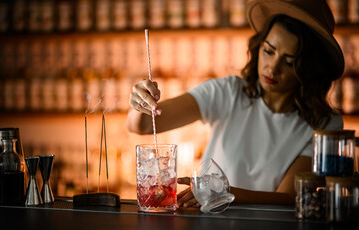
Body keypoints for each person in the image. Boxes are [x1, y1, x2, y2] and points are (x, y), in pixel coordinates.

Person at [127, 0, 345, 207]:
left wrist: (224, 191)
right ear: (259, 47)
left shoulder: (325, 123)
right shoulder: (228, 92)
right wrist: (140, 102)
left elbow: (290, 196)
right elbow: (143, 125)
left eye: (289, 62)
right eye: (268, 51)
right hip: (209, 227)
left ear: (310, 68)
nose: (272, 67)